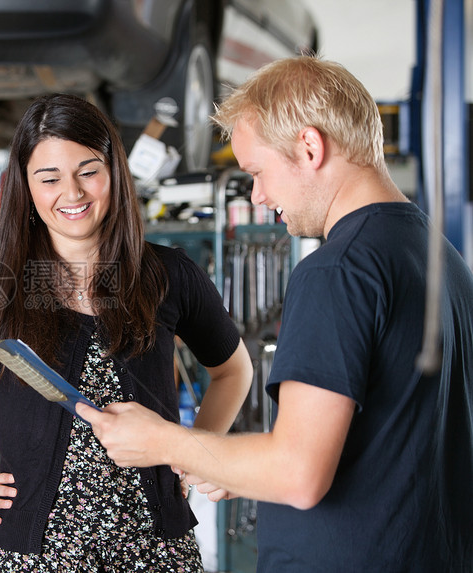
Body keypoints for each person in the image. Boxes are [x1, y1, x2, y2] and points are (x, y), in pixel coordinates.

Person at [77, 56, 473, 572]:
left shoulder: (338, 271)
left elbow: (298, 473)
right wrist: (228, 463)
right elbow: (384, 442)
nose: (260, 197)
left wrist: (161, 440)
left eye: (258, 172)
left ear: (309, 148)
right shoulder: (438, 255)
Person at [0, 93, 253, 572]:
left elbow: (234, 370)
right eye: (50, 178)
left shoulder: (168, 274)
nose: (73, 193)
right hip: (37, 557)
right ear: (27, 188)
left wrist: (197, 454)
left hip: (156, 552)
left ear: (114, 173)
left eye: (88, 171)